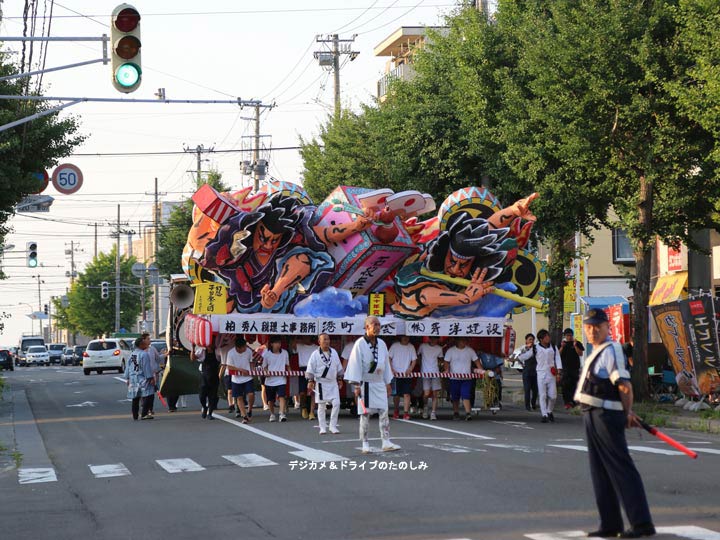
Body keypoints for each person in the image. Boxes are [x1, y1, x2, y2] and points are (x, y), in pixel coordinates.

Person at [576, 308, 655, 539]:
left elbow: (624, 385)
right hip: (591, 413)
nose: (592, 331)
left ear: (607, 327)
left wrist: (628, 411)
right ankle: (610, 524)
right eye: (589, 327)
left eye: (597, 327)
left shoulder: (612, 350)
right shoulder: (596, 351)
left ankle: (641, 523)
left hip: (606, 415)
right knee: (599, 471)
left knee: (621, 468)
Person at [344, 316, 400, 453]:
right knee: (365, 414)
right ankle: (365, 443)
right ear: (367, 327)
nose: (377, 327)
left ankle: (386, 441)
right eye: (374, 324)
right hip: (366, 383)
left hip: (379, 382)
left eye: (379, 325)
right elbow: (355, 364)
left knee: (384, 412)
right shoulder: (359, 344)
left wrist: (388, 382)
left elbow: (386, 363)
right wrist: (356, 385)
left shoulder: (382, 344)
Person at [306, 333, 344, 434]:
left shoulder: (334, 352)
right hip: (321, 383)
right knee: (321, 406)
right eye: (324, 340)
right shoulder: (315, 354)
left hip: (332, 383)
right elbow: (310, 368)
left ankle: (333, 426)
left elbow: (339, 367)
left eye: (328, 339)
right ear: (319, 342)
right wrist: (310, 381)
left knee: (336, 403)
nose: (327, 341)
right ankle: (322, 427)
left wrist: (340, 379)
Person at [444, 336, 481, 421]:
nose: (464, 342)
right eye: (462, 340)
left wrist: (482, 371)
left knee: (466, 395)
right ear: (457, 341)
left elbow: (476, 361)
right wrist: (446, 370)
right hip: (454, 378)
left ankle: (468, 413)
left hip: (466, 378)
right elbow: (446, 362)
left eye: (465, 340)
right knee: (455, 396)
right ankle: (456, 412)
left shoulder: (470, 350)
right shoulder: (451, 351)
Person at [532, 329, 562, 423]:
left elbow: (557, 358)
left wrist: (559, 371)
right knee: (543, 395)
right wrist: (516, 358)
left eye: (548, 336)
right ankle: (544, 414)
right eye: (545, 337)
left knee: (553, 395)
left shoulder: (553, 347)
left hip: (551, 372)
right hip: (541, 373)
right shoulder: (536, 347)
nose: (548, 338)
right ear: (541, 339)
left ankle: (549, 411)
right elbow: (527, 355)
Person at [223, 336, 255, 423]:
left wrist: (252, 371)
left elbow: (251, 361)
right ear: (238, 347)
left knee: (251, 394)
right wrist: (240, 370)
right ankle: (244, 416)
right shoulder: (231, 353)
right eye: (243, 347)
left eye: (245, 347)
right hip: (236, 379)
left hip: (248, 377)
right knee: (239, 397)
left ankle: (249, 409)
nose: (245, 349)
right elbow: (229, 366)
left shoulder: (248, 351)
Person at [125, 337, 156, 421]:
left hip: (133, 377)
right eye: (144, 343)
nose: (146, 344)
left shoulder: (132, 354)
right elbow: (146, 367)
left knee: (135, 397)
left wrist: (127, 377)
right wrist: (150, 377)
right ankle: (144, 413)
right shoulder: (144, 354)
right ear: (141, 344)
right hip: (142, 377)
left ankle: (135, 415)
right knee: (148, 394)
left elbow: (128, 367)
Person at [388, 335, 417, 420]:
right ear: (400, 337)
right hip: (395, 374)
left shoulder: (411, 347)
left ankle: (406, 413)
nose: (406, 338)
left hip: (406, 375)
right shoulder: (394, 346)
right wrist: (392, 369)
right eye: (404, 337)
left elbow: (414, 360)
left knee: (407, 394)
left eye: (407, 337)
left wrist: (410, 368)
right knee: (396, 395)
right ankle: (396, 410)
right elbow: (388, 358)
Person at [261, 335, 289, 422]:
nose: (278, 345)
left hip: (281, 379)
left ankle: (282, 414)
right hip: (270, 380)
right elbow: (264, 366)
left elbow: (288, 365)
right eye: (276, 343)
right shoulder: (266, 353)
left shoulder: (285, 353)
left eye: (279, 343)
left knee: (282, 396)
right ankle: (272, 414)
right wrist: (266, 372)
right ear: (272, 344)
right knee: (271, 400)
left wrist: (289, 373)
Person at [190, 340, 220, 420]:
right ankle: (204, 407)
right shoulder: (202, 351)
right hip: (204, 377)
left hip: (214, 377)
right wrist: (193, 348)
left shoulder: (217, 352)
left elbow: (223, 360)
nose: (210, 344)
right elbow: (192, 358)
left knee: (212, 396)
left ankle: (210, 413)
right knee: (202, 396)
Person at [418, 336, 444, 420]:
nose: (434, 340)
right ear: (429, 338)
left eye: (436, 338)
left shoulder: (439, 348)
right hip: (425, 372)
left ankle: (433, 412)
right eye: (432, 338)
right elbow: (418, 356)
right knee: (426, 393)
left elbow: (441, 360)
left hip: (435, 372)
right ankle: (425, 407)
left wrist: (440, 367)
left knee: (435, 394)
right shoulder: (423, 346)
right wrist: (421, 365)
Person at [559, 328, 584, 409]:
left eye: (570, 335)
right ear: (565, 336)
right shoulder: (562, 343)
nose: (569, 337)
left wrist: (575, 346)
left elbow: (580, 354)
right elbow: (558, 355)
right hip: (565, 368)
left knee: (575, 385)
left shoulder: (576, 343)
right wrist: (562, 347)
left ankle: (573, 402)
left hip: (575, 368)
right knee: (565, 386)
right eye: (567, 335)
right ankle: (567, 402)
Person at [295, 335, 317, 420]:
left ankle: (311, 412)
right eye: (303, 337)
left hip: (313, 369)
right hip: (303, 369)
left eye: (307, 336)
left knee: (312, 393)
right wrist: (296, 337)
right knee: (302, 392)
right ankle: (303, 407)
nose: (305, 338)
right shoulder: (299, 345)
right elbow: (292, 346)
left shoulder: (316, 348)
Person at [517, 334, 539, 411]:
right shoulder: (523, 348)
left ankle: (533, 404)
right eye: (530, 339)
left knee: (535, 389)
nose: (531, 341)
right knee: (527, 389)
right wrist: (521, 365)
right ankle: (527, 406)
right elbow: (518, 357)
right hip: (526, 371)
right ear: (526, 340)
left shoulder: (536, 348)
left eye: (532, 339)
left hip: (535, 371)